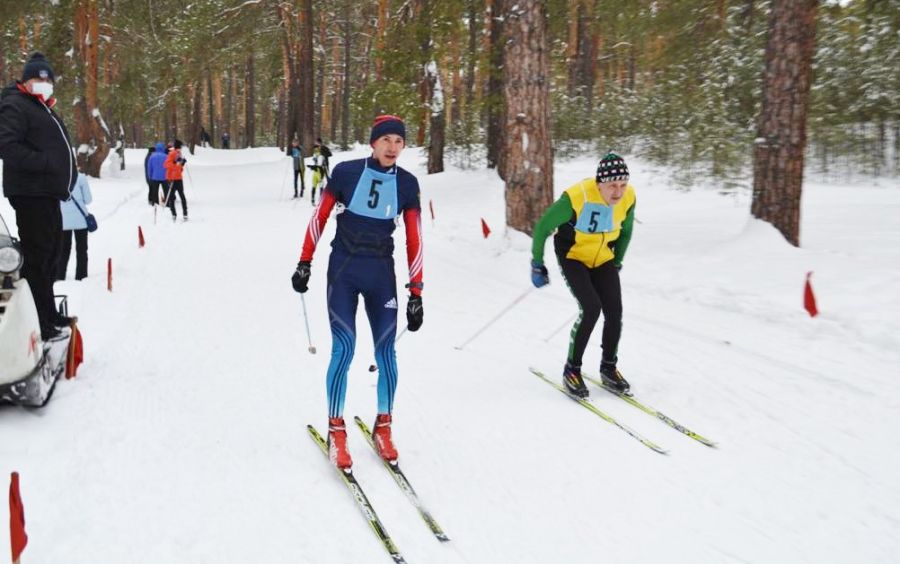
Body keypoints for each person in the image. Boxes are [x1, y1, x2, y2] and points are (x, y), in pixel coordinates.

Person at [291, 115, 424, 469]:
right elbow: (319, 217)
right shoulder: (347, 173)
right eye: (386, 140)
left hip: (382, 273)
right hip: (344, 271)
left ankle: (384, 426)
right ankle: (336, 430)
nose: (392, 147)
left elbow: (414, 238)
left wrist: (416, 292)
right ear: (373, 143)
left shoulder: (408, 185)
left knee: (386, 354)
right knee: (345, 348)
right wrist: (305, 261)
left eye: (399, 141)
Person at [530, 152, 636, 396]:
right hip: (574, 256)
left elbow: (626, 230)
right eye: (612, 186)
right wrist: (537, 262)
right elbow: (543, 227)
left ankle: (609, 367)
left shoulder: (628, 197)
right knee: (591, 308)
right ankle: (572, 369)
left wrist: (617, 260)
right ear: (599, 183)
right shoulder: (577, 197)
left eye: (623, 184)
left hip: (603, 257)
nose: (618, 192)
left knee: (614, 311)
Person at [0, 52, 77, 340]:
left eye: (48, 79)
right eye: (38, 78)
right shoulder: (16, 104)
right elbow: (6, 144)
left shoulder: (39, 106)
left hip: (47, 193)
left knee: (51, 256)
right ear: (26, 80)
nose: (44, 82)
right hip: (31, 193)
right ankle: (38, 323)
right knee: (38, 257)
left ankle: (47, 312)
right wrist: (45, 163)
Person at [57, 169, 92, 281]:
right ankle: (81, 275)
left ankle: (60, 274)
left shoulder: (57, 177)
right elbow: (88, 200)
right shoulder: (81, 178)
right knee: (82, 249)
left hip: (63, 220)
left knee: (63, 250)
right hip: (80, 220)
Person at [164, 139, 188, 221]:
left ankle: (184, 213)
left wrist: (182, 164)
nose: (181, 149)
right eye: (181, 147)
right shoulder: (171, 153)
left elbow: (179, 168)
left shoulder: (179, 154)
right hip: (171, 178)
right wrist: (175, 163)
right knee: (172, 197)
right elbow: (166, 165)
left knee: (181, 196)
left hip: (178, 178)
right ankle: (174, 214)